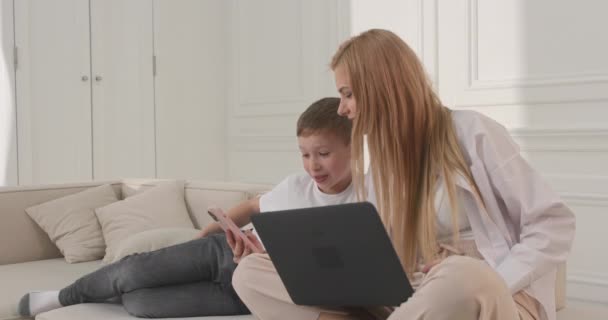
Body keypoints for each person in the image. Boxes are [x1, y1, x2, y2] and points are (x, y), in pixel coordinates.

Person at [231, 29, 576, 320]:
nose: (342, 108)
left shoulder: (472, 132)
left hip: (495, 295)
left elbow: (553, 225)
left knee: (462, 275)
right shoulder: (383, 164)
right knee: (250, 273)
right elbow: (380, 253)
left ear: (382, 86)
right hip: (411, 296)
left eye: (348, 94)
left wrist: (498, 279)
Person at [18, 97, 356, 318]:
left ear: (354, 148)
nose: (313, 165)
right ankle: (63, 296)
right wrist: (219, 226)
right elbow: (254, 205)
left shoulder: (363, 202)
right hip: (222, 251)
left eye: (323, 154)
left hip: (247, 289)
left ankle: (108, 293)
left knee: (142, 304)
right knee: (133, 271)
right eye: (305, 154)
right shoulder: (295, 185)